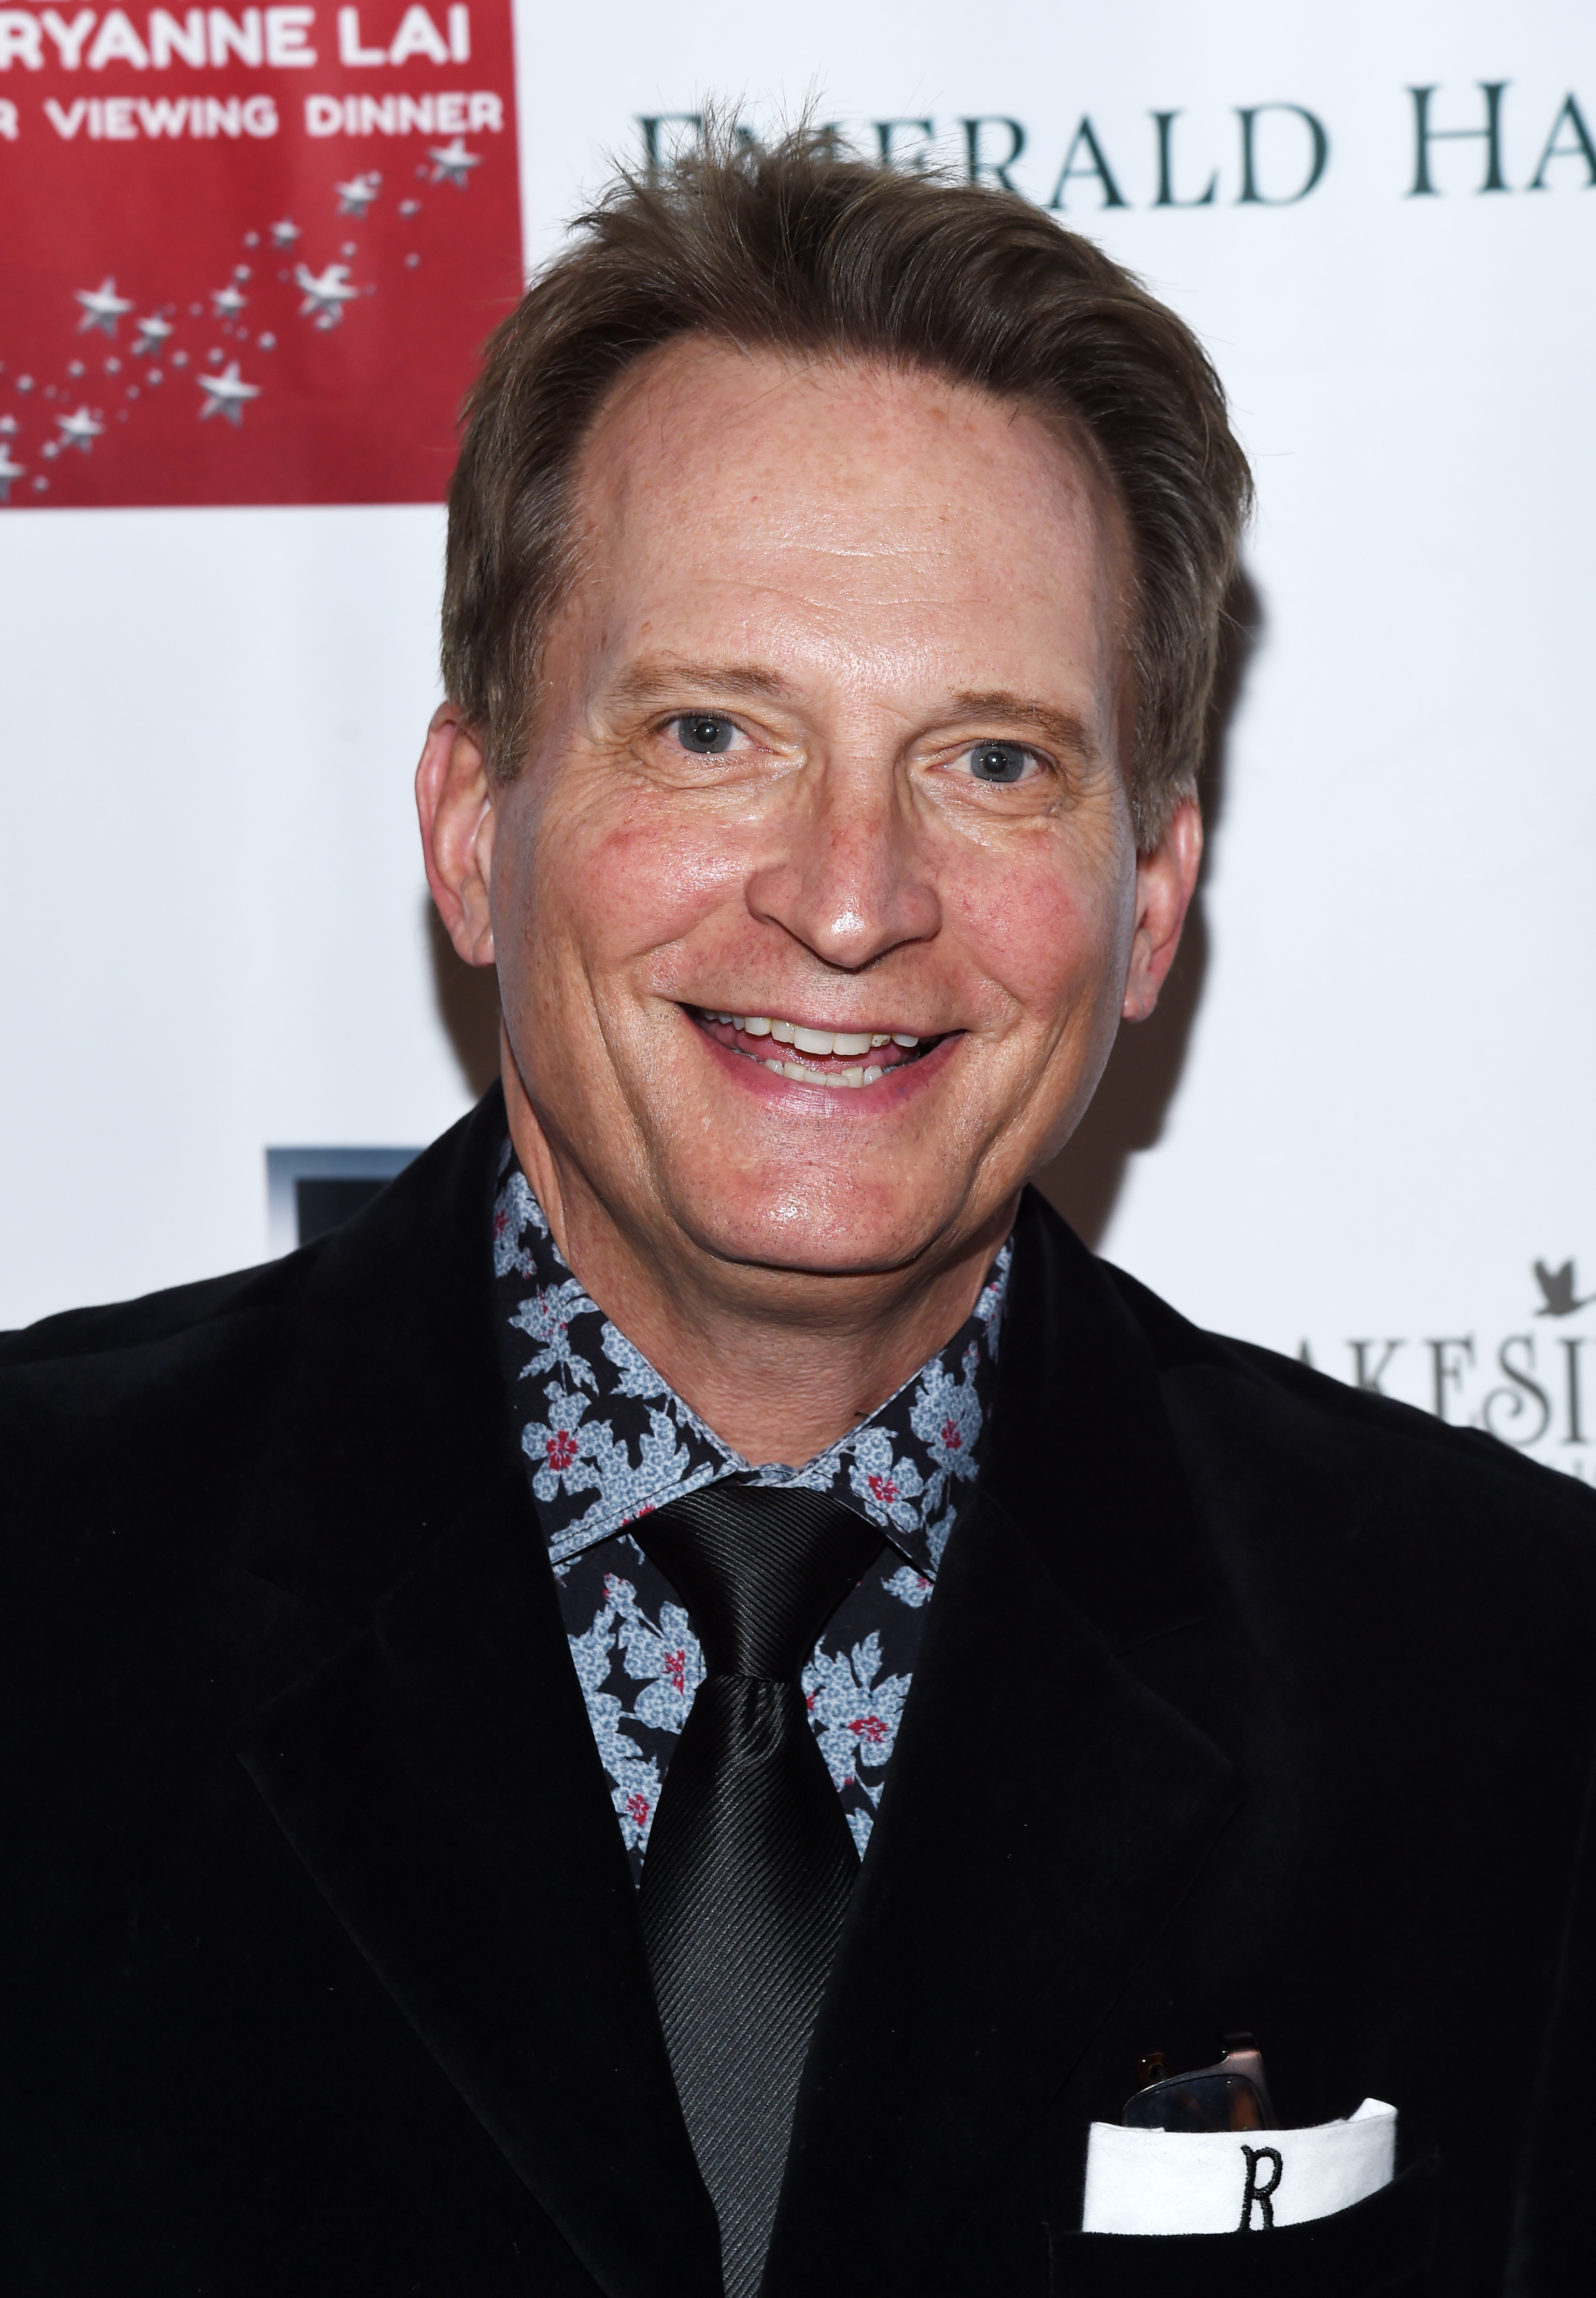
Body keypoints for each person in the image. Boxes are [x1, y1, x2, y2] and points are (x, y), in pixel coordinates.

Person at [4, 127, 1593, 2298]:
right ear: (474, 823)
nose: (849, 898)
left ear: (1148, 899)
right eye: (711, 729)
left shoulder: (1509, 1684)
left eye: (993, 762)